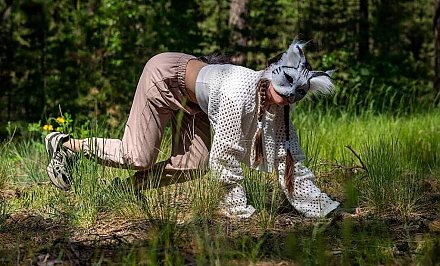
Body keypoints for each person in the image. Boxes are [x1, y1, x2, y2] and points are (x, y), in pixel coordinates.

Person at [45, 40, 340, 219]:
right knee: (136, 156)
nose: (287, 99)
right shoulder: (240, 93)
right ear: (273, 75)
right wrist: (235, 206)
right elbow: (225, 155)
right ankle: (64, 144)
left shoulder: (275, 102)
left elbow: (288, 155)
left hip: (194, 98)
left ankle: (124, 191)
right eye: (285, 90)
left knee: (195, 163)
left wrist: (317, 203)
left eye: (295, 95)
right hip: (165, 76)